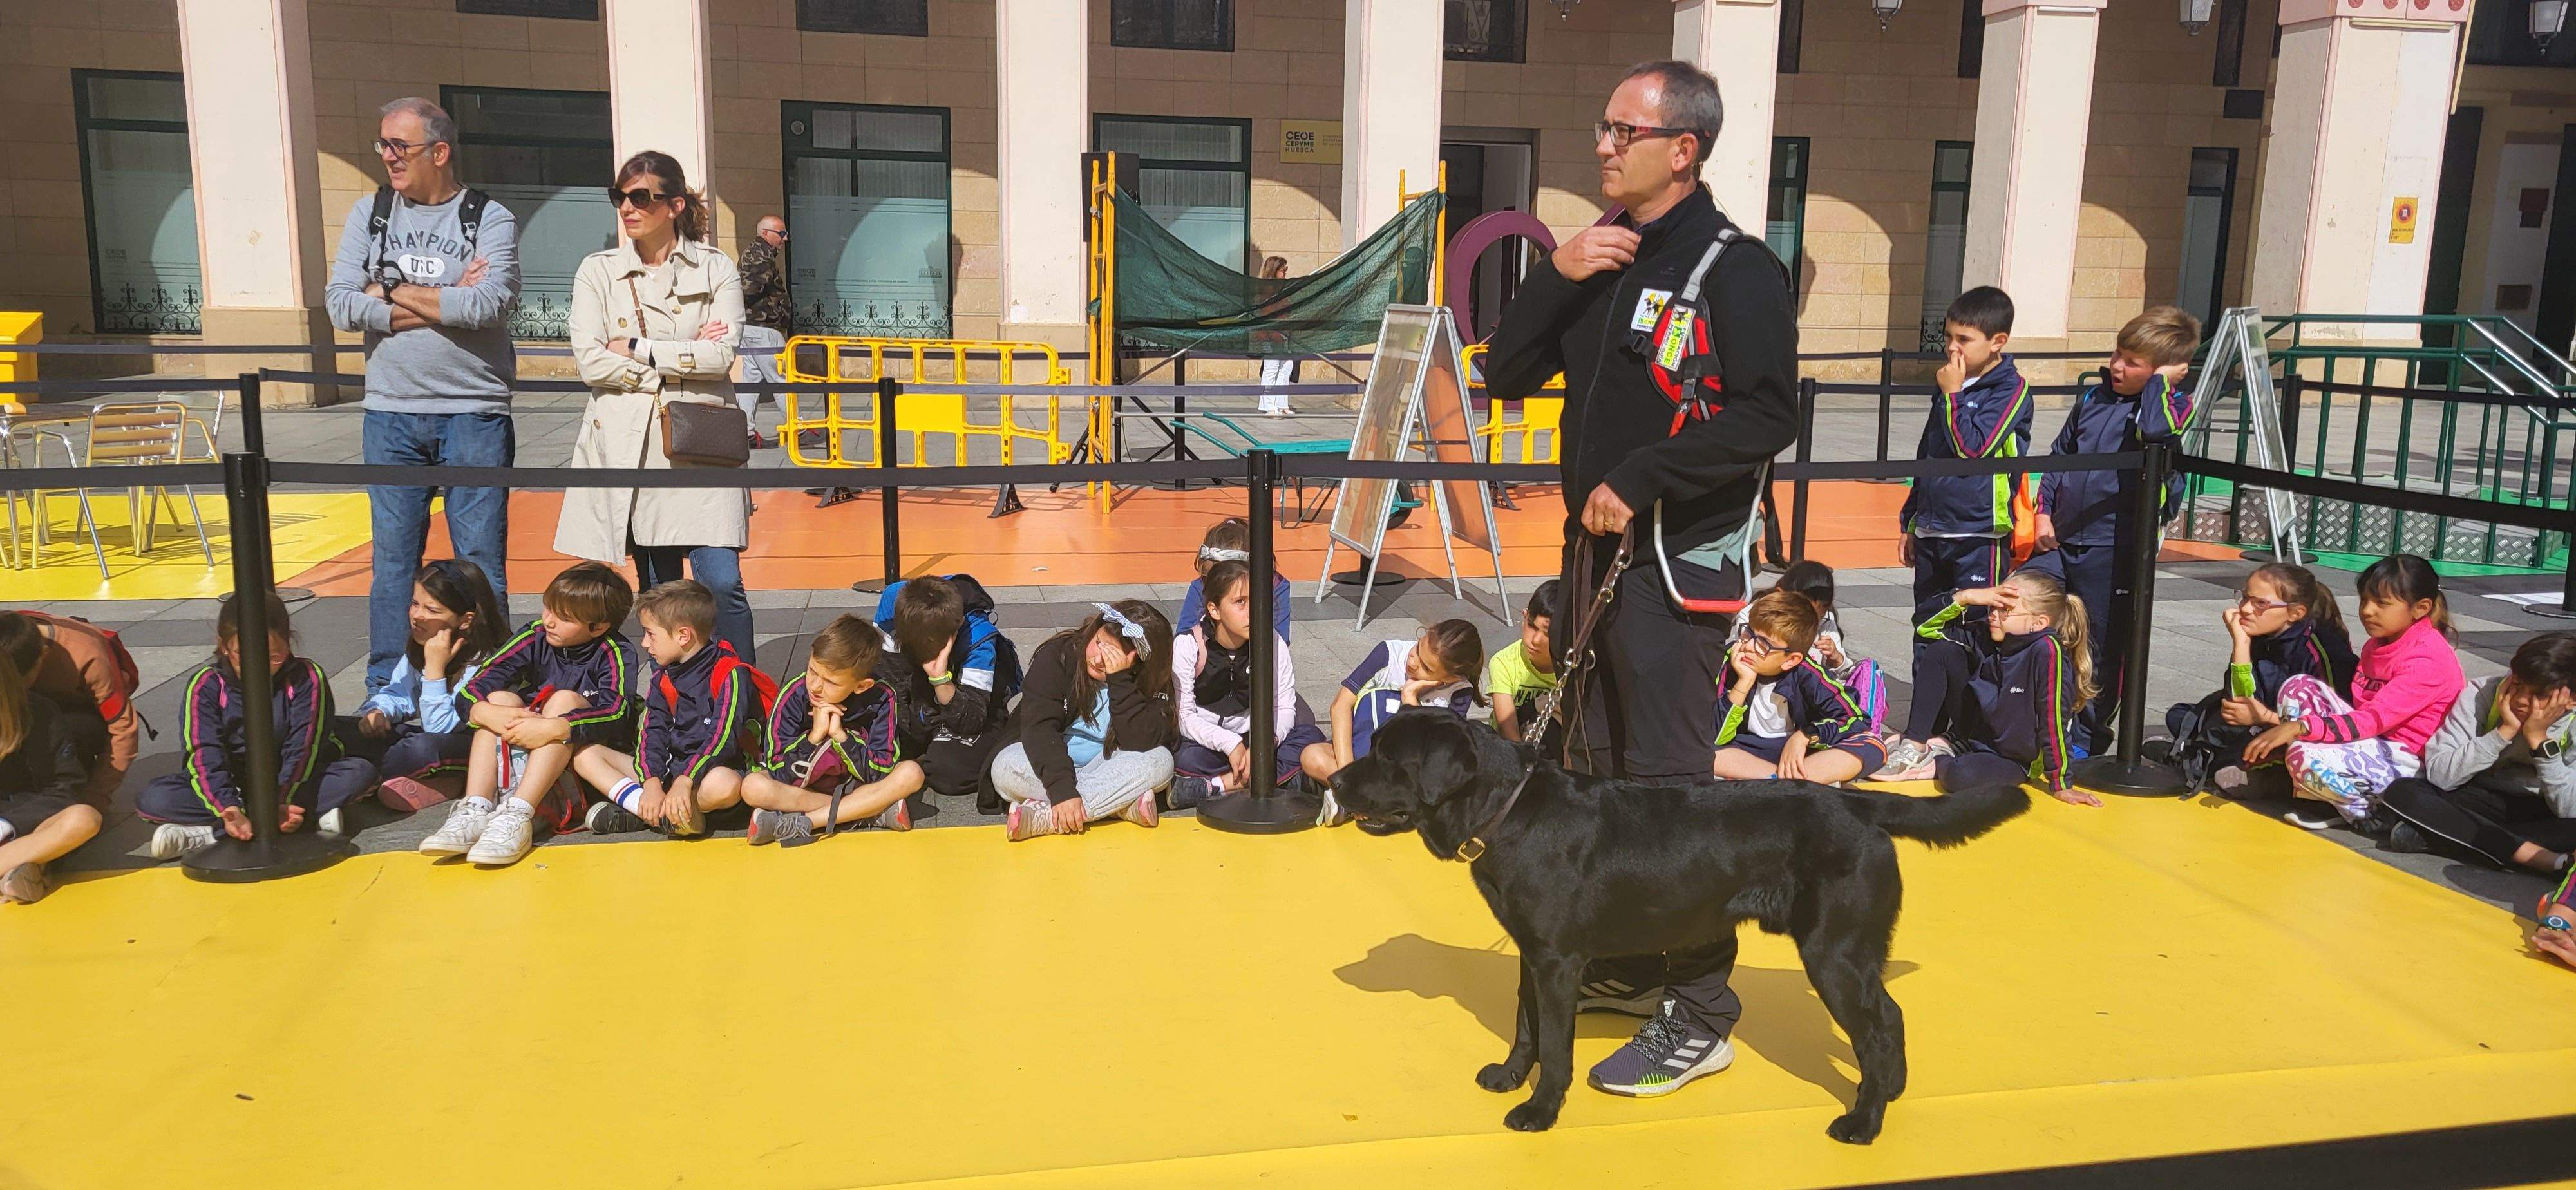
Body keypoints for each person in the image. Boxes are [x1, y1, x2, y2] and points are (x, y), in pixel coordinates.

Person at [1479, 59, 1799, 1100]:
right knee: (1599, 778)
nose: (1605, 144)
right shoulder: (1601, 256)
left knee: (1671, 802)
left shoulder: (1737, 269)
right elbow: (1507, 372)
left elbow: (1765, 414)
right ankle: (1629, 953)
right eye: (1603, 125)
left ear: (1683, 149)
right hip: (1589, 565)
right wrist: (1556, 272)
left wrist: (1643, 473)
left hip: (1672, 575)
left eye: (1626, 129)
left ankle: (1703, 1012)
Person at [325, 96, 520, 699]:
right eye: (382, 145)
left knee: (480, 562)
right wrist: (440, 298)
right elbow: (339, 303)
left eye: (399, 147)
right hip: (391, 413)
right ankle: (388, 683)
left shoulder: (489, 216)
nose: (388, 158)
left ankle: (487, 679)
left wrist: (385, 288)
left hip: (474, 413)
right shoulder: (371, 211)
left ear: (440, 151)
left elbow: (489, 305)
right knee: (392, 563)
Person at [558, 149, 755, 662]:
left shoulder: (715, 267)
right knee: (661, 592)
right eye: (620, 196)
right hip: (634, 450)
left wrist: (642, 351)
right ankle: (676, 691)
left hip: (702, 445)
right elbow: (589, 363)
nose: (627, 206)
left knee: (722, 582)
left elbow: (721, 357)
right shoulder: (597, 271)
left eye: (641, 196)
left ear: (673, 205)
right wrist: (678, 364)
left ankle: (743, 690)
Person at [2022, 305, 2201, 755]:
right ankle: (2027, 717)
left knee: (2100, 647)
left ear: (2162, 370)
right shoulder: (2093, 399)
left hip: (2114, 546)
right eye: (2117, 355)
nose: (2117, 367)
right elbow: (2061, 455)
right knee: (2017, 604)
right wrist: (2044, 511)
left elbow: (2158, 431)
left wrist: (2159, 384)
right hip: (2063, 538)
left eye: (2133, 362)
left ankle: (2087, 738)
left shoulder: (2172, 404)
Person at [426, 562, 638, 866]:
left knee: (563, 700)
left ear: (599, 627)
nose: (549, 621)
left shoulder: (614, 650)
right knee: (498, 698)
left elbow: (618, 714)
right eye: (548, 608)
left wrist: (557, 728)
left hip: (587, 759)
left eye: (564, 617)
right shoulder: (535, 635)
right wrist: (483, 710)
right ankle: (475, 809)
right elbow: (477, 685)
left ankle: (519, 814)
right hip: (533, 747)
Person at [139, 594, 379, 861]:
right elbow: (203, 752)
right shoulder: (206, 684)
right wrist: (227, 807)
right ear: (224, 647)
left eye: (274, 657)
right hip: (234, 782)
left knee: (358, 773)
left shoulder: (306, 676)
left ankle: (210, 833)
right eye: (244, 656)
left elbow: (306, 746)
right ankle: (280, 821)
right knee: (155, 798)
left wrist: (286, 798)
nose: (259, 667)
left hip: (291, 777)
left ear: (288, 644)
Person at [2244, 554, 2467, 831]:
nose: (2367, 611)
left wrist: (2300, 728)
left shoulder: (2427, 659)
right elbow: (2359, 714)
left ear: (2421, 608)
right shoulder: (2380, 643)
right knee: (2298, 687)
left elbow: (2372, 719)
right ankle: (2328, 795)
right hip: (2371, 742)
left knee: (2304, 754)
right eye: (2364, 600)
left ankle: (2369, 813)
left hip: (2406, 762)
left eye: (2382, 603)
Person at [1895, 287, 2030, 701]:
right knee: (1928, 623)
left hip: (1978, 533)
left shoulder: (2011, 389)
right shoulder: (1949, 383)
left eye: (1964, 340)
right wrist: (1911, 521)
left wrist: (1954, 396)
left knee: (1975, 628)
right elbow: (1929, 453)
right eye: (1948, 337)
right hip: (1934, 528)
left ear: (1997, 343)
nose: (1952, 348)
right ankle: (1926, 722)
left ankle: (1969, 719)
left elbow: (1973, 448)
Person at [1879, 571, 2099, 806]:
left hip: (2014, 758)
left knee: (1960, 778)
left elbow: (2053, 718)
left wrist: (2061, 782)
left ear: (2039, 623)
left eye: (2005, 610)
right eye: (1993, 606)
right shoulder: (1990, 634)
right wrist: (1965, 597)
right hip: (1977, 734)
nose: (1994, 615)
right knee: (1942, 651)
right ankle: (1916, 745)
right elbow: (1924, 627)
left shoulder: (2046, 651)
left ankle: (1940, 755)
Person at [2379, 633, 2576, 873]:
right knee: (2402, 791)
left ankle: (2443, 836)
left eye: (2539, 696)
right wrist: (2502, 733)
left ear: (2572, 700)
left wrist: (2540, 740)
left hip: (2543, 810)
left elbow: (2570, 809)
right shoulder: (2483, 693)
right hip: (2479, 798)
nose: (2522, 700)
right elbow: (2441, 775)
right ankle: (2542, 860)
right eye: (2518, 685)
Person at [583, 581, 762, 840]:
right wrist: (652, 783)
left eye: (650, 634)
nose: (644, 643)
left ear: (683, 636)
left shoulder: (729, 674)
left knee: (725, 785)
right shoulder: (663, 678)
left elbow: (722, 740)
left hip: (708, 775)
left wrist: (686, 780)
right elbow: (652, 734)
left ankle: (650, 814)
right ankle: (661, 813)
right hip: (672, 774)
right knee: (588, 755)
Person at [989, 601, 1178, 841]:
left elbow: (1139, 741)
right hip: (1048, 762)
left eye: (1113, 655)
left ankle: (1044, 818)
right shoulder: (1059, 654)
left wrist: (1120, 680)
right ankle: (1118, 806)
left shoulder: (1147, 681)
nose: (1099, 659)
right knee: (1004, 767)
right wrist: (1063, 790)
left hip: (1107, 764)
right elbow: (1040, 729)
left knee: (1160, 761)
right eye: (1099, 643)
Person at [2164, 562, 2354, 795]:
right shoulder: (2262, 636)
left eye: (2260, 603)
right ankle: (2218, 758)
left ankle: (2268, 777)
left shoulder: (2321, 652)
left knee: (2242, 748)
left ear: (2296, 613)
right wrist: (2241, 644)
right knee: (2182, 715)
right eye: (2244, 598)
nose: (2245, 609)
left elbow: (2339, 725)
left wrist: (2266, 719)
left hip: (2306, 737)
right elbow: (2239, 699)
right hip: (2257, 726)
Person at [341, 559, 509, 811]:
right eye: (414, 603)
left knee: (418, 750)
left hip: (470, 747)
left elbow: (439, 729)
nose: (417, 616)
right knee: (340, 729)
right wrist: (379, 711)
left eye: (432, 610)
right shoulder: (425, 643)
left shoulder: (487, 662)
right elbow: (399, 693)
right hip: (432, 739)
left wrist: (435, 669)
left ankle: (364, 777)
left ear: (465, 621)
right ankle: (437, 783)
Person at [741, 615, 922, 846]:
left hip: (856, 785)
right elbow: (777, 769)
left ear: (861, 686)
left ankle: (808, 821)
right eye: (813, 671)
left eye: (831, 682)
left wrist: (841, 737)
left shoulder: (882, 698)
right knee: (753, 787)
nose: (815, 686)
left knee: (912, 773)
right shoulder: (793, 695)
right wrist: (814, 737)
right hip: (807, 791)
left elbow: (882, 770)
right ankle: (865, 812)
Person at [1170, 560, 1331, 807]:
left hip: (1254, 735)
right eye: (1240, 603)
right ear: (1214, 610)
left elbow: (1284, 706)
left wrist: (1265, 743)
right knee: (1180, 755)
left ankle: (1217, 786)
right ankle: (1283, 780)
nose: (1252, 611)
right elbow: (1185, 716)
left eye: (1256, 601)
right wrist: (1230, 744)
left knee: (1309, 736)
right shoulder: (1189, 645)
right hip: (1208, 741)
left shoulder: (1272, 641)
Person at [1711, 589, 1888, 785]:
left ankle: (1780, 781)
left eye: (1764, 644)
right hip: (1745, 750)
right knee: (1697, 751)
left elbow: (1855, 718)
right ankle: (1782, 781)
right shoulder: (1731, 661)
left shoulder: (1807, 673)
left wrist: (1805, 736)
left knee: (1872, 746)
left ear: (1791, 660)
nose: (1748, 646)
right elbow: (1716, 736)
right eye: (1748, 632)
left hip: (1799, 752)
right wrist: (1742, 685)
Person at [876, 575, 1021, 812]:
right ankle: (919, 754)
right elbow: (890, 683)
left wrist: (940, 679)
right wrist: (902, 742)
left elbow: (972, 720)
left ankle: (928, 755)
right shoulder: (893, 603)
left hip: (969, 706)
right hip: (919, 702)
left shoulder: (978, 637)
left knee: (949, 773)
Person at [1315, 620, 1483, 823]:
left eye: (1426, 668)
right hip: (1359, 761)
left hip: (1403, 778)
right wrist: (1351, 781)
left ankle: (1369, 806)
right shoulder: (1388, 653)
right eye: (1417, 649)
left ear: (1449, 679)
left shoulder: (1459, 692)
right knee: (1313, 756)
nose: (1413, 663)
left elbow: (1437, 755)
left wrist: (1410, 700)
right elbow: (1340, 706)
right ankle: (1369, 804)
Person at [0, 610, 142, 806]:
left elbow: (123, 729)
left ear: (43, 655)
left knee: (70, 727)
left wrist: (95, 800)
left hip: (73, 718)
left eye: (21, 684)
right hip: (24, 717)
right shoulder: (9, 632)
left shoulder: (88, 656)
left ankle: (66, 787)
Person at [1727, 561, 1885, 732]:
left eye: (1819, 616)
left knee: (1867, 745)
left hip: (1807, 708)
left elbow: (1853, 716)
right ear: (1781, 595)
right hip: (1757, 696)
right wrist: (1743, 683)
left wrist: (1837, 659)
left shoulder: (1824, 630)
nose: (1811, 621)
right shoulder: (1752, 616)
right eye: (1749, 636)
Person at [0, 654, 106, 905]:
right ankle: (21, 872)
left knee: (85, 819)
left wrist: (6, 824)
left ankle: (20, 868)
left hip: (26, 830)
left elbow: (63, 790)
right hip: (22, 848)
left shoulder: (39, 713)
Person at [1176, 518, 1293, 641]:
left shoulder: (1276, 585)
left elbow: (1279, 642)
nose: (1219, 583)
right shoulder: (1201, 586)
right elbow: (1184, 639)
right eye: (1213, 576)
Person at [737, 214, 792, 447]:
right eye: (781, 233)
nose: (785, 238)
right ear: (766, 233)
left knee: (751, 380)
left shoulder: (757, 252)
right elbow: (749, 288)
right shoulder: (761, 255)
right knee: (781, 378)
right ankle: (797, 427)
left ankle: (744, 432)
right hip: (764, 328)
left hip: (752, 328)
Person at [1484, 580, 1562, 746]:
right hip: (1512, 748)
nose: (1536, 640)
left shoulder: (1574, 665)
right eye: (1532, 626)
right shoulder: (1503, 662)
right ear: (1524, 616)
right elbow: (1507, 727)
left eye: (1548, 633)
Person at [1256, 256, 1296, 415]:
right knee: (1271, 368)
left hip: (1283, 334)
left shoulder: (1282, 290)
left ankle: (1281, 403)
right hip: (1270, 335)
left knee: (1286, 366)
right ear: (1274, 271)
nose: (1285, 273)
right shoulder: (1266, 292)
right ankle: (1268, 405)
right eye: (1283, 270)